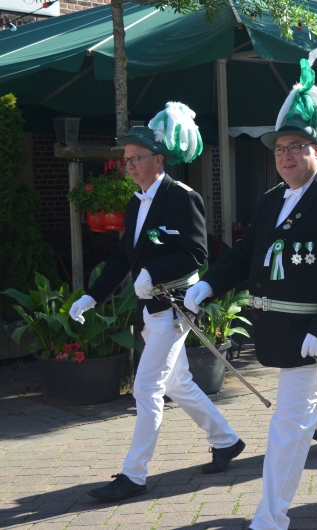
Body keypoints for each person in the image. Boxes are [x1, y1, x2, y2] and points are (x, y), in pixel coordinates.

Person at [184, 47, 317, 530]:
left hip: (313, 333)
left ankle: (270, 517)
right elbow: (245, 253)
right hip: (279, 331)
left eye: (297, 147)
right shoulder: (273, 199)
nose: (286, 156)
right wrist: (208, 283)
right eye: (279, 149)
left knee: (290, 423)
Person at [68, 103, 244, 501]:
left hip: (175, 307)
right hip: (149, 309)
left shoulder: (183, 198)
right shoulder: (135, 202)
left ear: (158, 159)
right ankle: (226, 440)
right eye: (126, 159)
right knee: (178, 383)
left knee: (146, 388)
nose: (129, 165)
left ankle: (134, 474)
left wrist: (153, 272)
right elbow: (122, 258)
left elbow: (196, 253)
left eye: (136, 158)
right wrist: (92, 295)